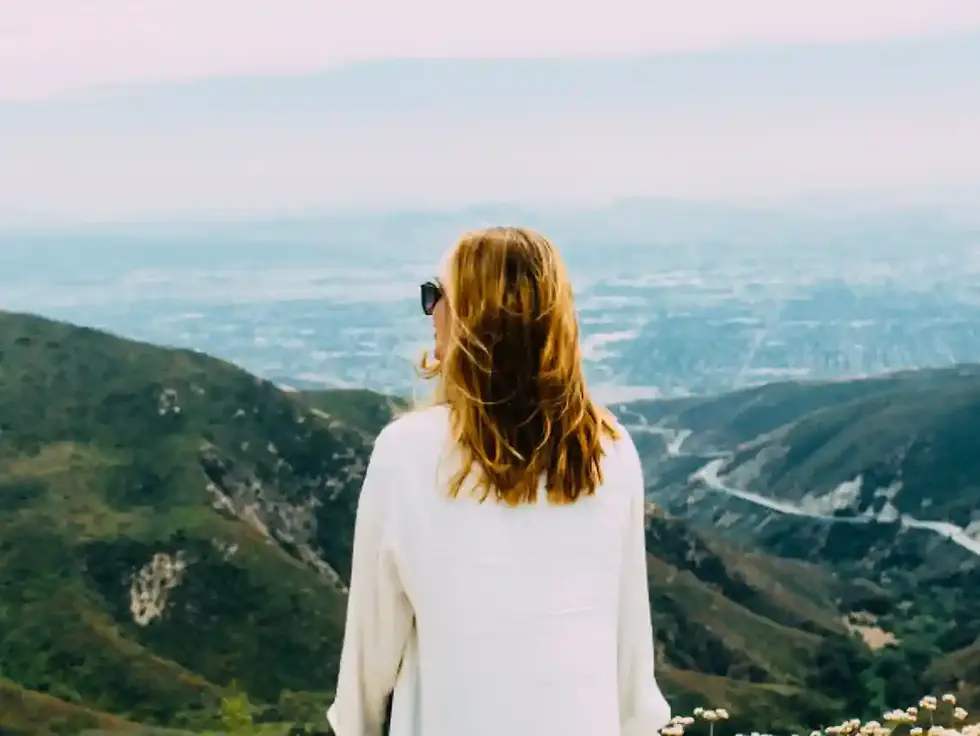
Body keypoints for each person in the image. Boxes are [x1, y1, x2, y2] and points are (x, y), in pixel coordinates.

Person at [326, 226, 671, 736]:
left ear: (470, 317)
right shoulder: (608, 449)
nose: (430, 313)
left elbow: (370, 655)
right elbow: (630, 652)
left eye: (435, 295)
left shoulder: (407, 453)